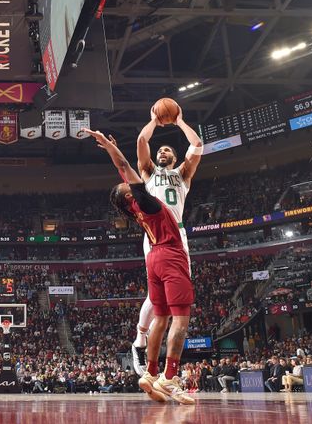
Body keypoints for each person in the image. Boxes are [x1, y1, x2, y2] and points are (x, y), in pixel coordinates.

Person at [81, 127, 194, 405]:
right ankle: (169, 378)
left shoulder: (136, 210)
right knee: (180, 320)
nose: (129, 183)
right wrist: (108, 146)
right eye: (128, 187)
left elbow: (124, 168)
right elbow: (123, 165)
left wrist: (112, 146)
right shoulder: (145, 201)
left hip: (153, 257)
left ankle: (150, 373)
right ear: (131, 197)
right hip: (169, 254)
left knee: (161, 317)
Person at [131, 106, 203, 377]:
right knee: (155, 294)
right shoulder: (148, 172)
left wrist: (180, 121)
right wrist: (154, 120)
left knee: (178, 298)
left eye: (167, 150)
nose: (162, 152)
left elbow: (196, 144)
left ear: (174, 157)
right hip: (154, 234)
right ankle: (140, 340)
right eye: (159, 150)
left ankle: (162, 364)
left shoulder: (183, 175)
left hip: (179, 235)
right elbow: (141, 142)